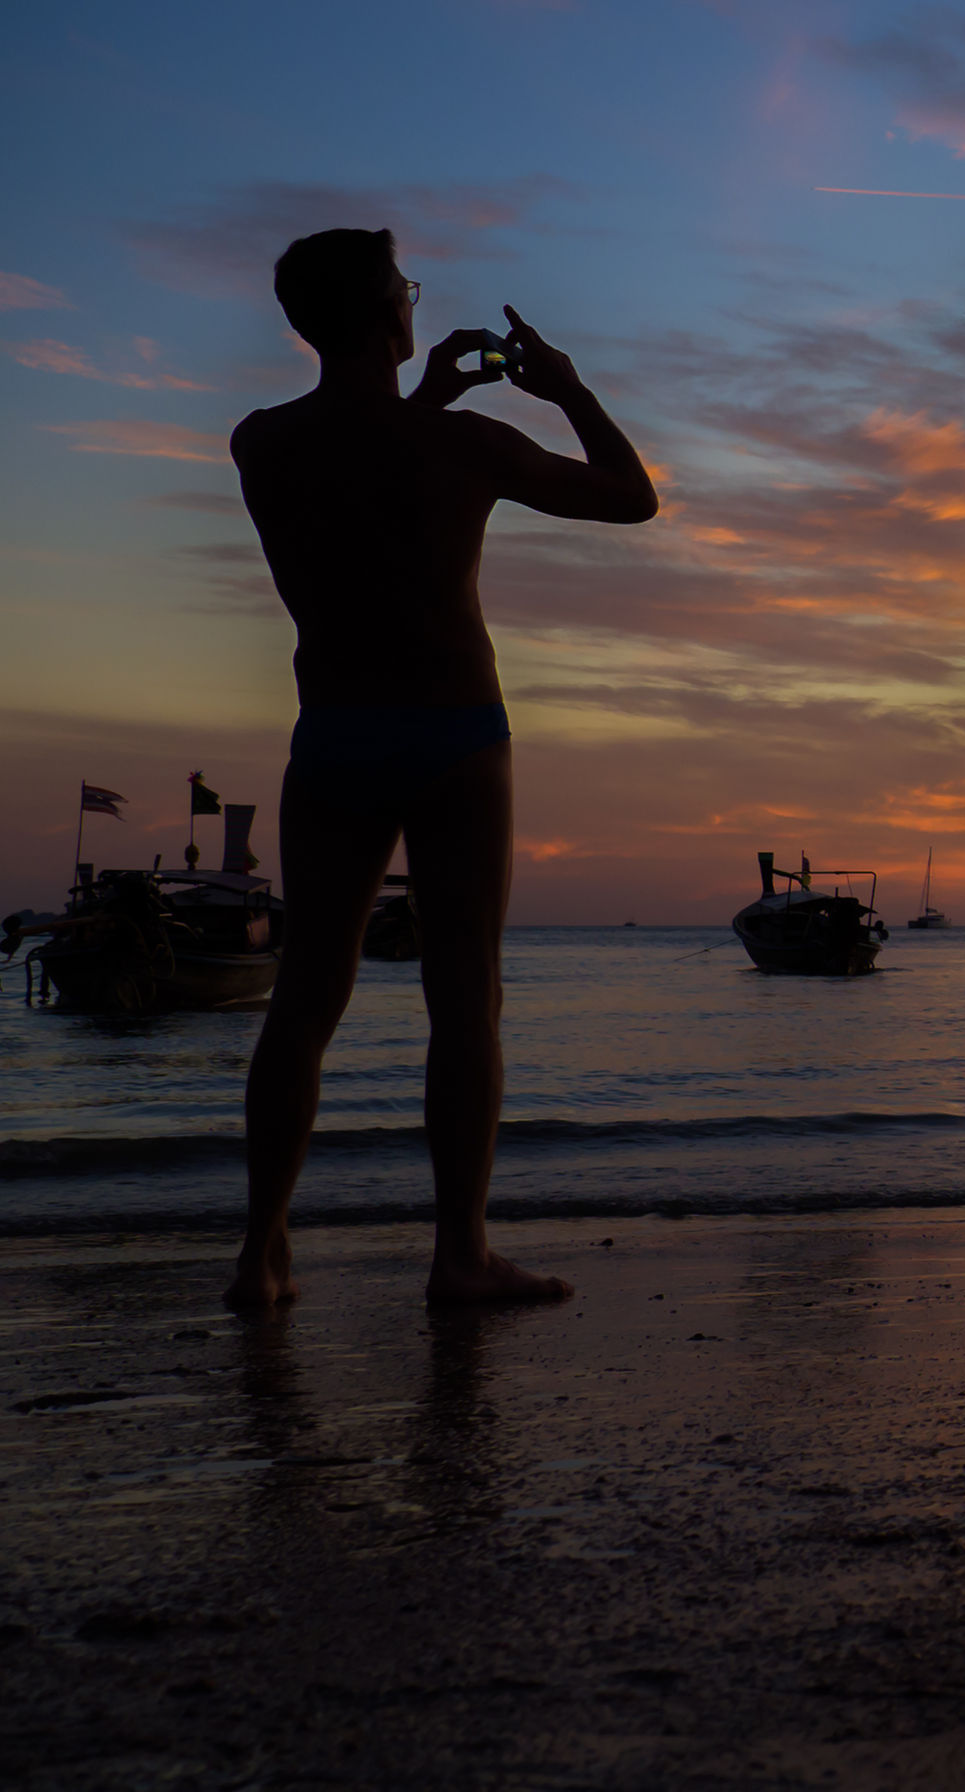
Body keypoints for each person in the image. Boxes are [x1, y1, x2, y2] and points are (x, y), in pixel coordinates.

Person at [225, 228, 660, 1309]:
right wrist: (563, 387)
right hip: (455, 733)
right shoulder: (465, 444)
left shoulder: (264, 443)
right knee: (464, 1002)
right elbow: (629, 494)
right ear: (389, 316)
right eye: (405, 290)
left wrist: (418, 396)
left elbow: (364, 466)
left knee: (304, 1002)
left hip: (333, 730)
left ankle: (262, 1252)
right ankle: (459, 1253)